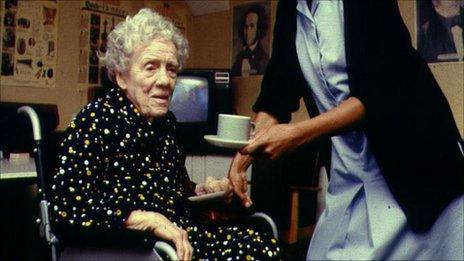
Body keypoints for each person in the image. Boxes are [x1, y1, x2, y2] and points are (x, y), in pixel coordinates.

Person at [228, 0, 464, 260]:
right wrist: (243, 157)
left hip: (416, 165)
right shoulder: (289, 7)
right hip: (349, 172)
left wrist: (297, 134)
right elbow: (276, 95)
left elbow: (379, 92)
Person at [50, 9, 280, 260]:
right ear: (121, 76)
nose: (165, 80)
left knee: (258, 241)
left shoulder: (166, 124)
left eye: (171, 69)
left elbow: (174, 193)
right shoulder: (94, 121)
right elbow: (66, 212)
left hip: (178, 239)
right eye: (151, 68)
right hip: (130, 246)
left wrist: (204, 192)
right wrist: (143, 219)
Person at [231, 4, 269, 76]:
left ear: (259, 29)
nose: (247, 32)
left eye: (252, 26)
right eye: (246, 26)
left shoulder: (265, 59)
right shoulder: (238, 59)